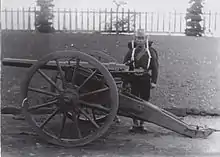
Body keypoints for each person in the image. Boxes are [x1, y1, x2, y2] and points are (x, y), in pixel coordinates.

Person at [123, 29, 159, 132]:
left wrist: (154, 81)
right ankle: (134, 124)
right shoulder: (131, 52)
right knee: (133, 101)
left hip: (145, 79)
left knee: (145, 101)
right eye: (138, 38)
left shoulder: (151, 52)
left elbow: (155, 67)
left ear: (146, 39)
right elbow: (125, 67)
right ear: (135, 39)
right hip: (133, 79)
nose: (140, 40)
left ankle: (142, 124)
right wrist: (126, 82)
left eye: (142, 38)